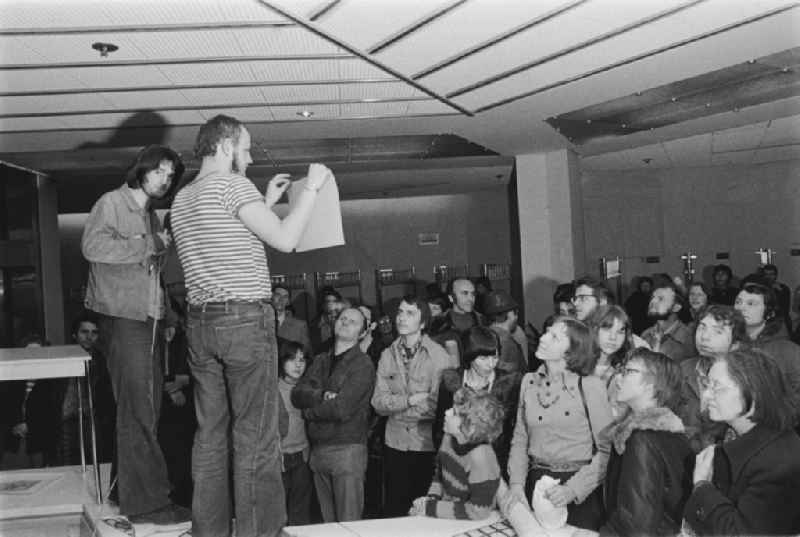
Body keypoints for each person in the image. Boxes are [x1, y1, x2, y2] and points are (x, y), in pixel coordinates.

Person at [171, 114, 332, 537]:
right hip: (244, 321)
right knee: (257, 435)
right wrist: (311, 190)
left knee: (210, 434)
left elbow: (226, 234)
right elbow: (285, 240)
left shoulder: (183, 199)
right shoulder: (230, 185)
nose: (248, 155)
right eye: (244, 148)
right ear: (224, 146)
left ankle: (209, 531)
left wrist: (264, 198)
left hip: (202, 325)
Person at [82, 145, 186, 524]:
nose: (164, 179)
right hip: (123, 319)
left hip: (148, 320)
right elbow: (92, 246)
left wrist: (168, 315)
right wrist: (150, 244)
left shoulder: (151, 216)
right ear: (141, 169)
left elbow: (151, 274)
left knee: (144, 409)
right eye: (159, 171)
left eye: (170, 175)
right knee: (140, 410)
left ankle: (126, 495)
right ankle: (149, 505)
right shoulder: (112, 202)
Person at [507, 317, 613, 531]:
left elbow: (607, 450)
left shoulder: (590, 386)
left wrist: (572, 490)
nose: (543, 338)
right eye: (546, 332)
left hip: (579, 489)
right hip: (536, 485)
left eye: (554, 337)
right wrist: (517, 484)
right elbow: (520, 439)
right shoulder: (528, 382)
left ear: (571, 351)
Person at [683, 349, 800, 535]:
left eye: (718, 388)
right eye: (707, 385)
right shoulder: (739, 437)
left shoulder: (777, 463)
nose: (706, 396)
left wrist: (702, 486)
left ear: (755, 392)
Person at [291, 307, 376, 522]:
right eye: (343, 318)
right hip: (319, 452)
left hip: (347, 451)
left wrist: (308, 412)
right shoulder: (320, 360)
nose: (346, 322)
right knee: (327, 527)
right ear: (334, 322)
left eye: (354, 322)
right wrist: (322, 395)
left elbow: (341, 408)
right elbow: (298, 394)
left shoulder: (363, 364)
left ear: (363, 333)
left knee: (348, 525)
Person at [598, 348, 693, 537]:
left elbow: (637, 525)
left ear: (653, 384)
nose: (619, 378)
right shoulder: (669, 433)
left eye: (629, 372)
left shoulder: (642, 439)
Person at [371, 295, 451, 517]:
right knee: (395, 511)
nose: (401, 318)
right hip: (394, 443)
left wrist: (396, 408)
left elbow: (437, 407)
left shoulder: (438, 356)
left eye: (410, 313)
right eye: (399, 312)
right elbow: (378, 402)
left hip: (425, 445)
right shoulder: (387, 354)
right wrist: (410, 400)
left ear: (423, 322)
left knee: (423, 511)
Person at [433, 326, 521, 478]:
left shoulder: (508, 384)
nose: (491, 364)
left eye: (495, 357)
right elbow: (439, 429)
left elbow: (514, 432)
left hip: (497, 465)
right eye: (483, 358)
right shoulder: (452, 383)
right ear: (469, 356)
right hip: (457, 465)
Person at [409, 387, 504, 520]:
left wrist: (430, 508)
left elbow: (479, 512)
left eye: (454, 413)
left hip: (473, 521)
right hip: (449, 513)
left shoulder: (483, 458)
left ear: (471, 426)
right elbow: (440, 475)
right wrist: (431, 498)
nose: (447, 412)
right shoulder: (448, 437)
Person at [678, 305, 746, 452]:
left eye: (718, 331)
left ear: (735, 344)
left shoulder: (743, 378)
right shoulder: (683, 369)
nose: (704, 337)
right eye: (702, 328)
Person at [734, 283, 800, 393]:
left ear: (770, 314)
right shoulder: (727, 342)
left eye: (751, 303)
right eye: (738, 302)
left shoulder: (787, 350)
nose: (741, 307)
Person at [277, 342, 312, 525]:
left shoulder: (309, 389)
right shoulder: (272, 389)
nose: (298, 365)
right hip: (278, 459)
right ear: (282, 361)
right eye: (292, 359)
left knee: (300, 514)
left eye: (302, 359)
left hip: (302, 456)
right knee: (276, 514)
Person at [641, 282, 695, 363]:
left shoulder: (687, 337)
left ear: (676, 307)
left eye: (660, 299)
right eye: (652, 297)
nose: (653, 301)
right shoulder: (646, 335)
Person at [484, 291, 527, 374]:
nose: (516, 317)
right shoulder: (505, 340)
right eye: (515, 313)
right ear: (509, 314)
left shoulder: (486, 334)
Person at [273, 283, 311, 355]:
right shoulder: (261, 323)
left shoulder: (300, 326)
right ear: (271, 297)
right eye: (277, 295)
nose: (281, 299)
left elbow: (306, 353)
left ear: (288, 302)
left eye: (285, 297)